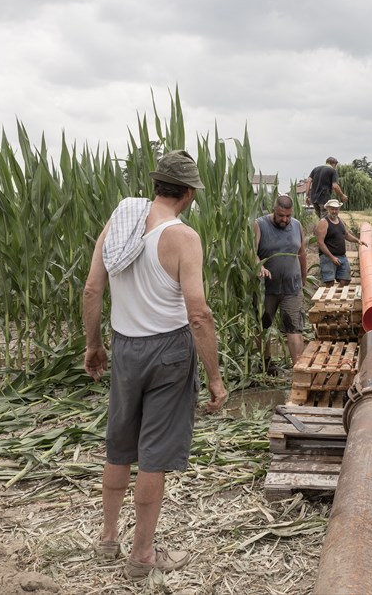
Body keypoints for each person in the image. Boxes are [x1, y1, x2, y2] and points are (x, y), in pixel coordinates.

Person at [83, 150, 228, 580]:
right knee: (153, 456)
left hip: (124, 347)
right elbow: (198, 313)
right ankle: (142, 555)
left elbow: (92, 290)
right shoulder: (183, 237)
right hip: (169, 352)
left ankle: (108, 539)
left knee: (119, 445)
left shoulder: (120, 222)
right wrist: (216, 379)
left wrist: (94, 346)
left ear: (155, 185)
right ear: (187, 193)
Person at [254, 194, 307, 370]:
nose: (284, 219)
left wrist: (304, 279)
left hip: (292, 287)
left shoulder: (297, 225)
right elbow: (251, 251)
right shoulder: (260, 224)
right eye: (280, 215)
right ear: (273, 210)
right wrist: (259, 266)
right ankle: (266, 363)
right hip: (266, 289)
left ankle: (298, 369)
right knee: (263, 326)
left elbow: (302, 253)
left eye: (288, 216)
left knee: (294, 328)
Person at [315, 199, 365, 286]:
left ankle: (338, 295)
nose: (334, 211)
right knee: (329, 282)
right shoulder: (324, 222)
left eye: (336, 209)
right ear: (328, 209)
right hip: (328, 257)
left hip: (342, 256)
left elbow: (346, 235)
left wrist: (357, 240)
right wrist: (332, 257)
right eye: (332, 209)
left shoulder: (340, 220)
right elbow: (320, 242)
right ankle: (329, 298)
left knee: (345, 280)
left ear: (339, 209)